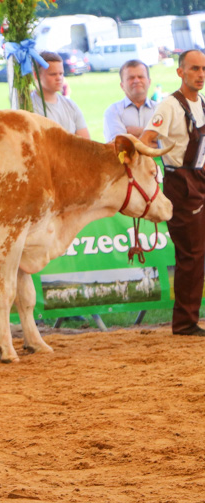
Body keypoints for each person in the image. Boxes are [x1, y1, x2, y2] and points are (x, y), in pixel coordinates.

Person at [140, 49, 205, 336]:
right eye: (194, 69)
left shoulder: (202, 102)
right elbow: (146, 139)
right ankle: (185, 322)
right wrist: (151, 168)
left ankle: (189, 318)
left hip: (201, 175)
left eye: (203, 69)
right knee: (190, 254)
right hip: (180, 182)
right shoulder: (168, 105)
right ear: (180, 72)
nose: (200, 74)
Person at [30, 52, 90, 139]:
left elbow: (86, 143)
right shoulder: (29, 107)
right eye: (53, 74)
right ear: (36, 76)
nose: (59, 78)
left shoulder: (71, 106)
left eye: (61, 74)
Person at [103, 59, 156, 141]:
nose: (136, 80)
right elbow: (118, 146)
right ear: (122, 85)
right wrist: (154, 135)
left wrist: (132, 132)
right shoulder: (113, 111)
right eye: (131, 78)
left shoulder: (161, 109)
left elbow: (169, 141)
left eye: (140, 77)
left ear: (149, 82)